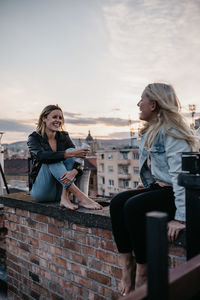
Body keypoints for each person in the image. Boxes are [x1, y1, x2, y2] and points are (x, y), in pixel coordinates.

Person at [110, 83, 199, 296]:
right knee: (116, 203)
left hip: (179, 194)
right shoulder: (151, 131)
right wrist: (146, 186)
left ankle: (142, 271)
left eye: (142, 100)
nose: (138, 104)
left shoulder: (173, 132)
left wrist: (181, 218)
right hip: (160, 189)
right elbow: (154, 169)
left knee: (133, 207)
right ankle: (127, 266)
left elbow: (180, 177)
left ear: (154, 104)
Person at [28, 104, 102, 210]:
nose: (58, 120)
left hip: (60, 190)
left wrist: (74, 172)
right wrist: (70, 154)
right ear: (44, 118)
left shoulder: (64, 136)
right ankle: (81, 197)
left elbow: (78, 159)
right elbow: (41, 156)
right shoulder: (34, 138)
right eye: (54, 117)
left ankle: (64, 197)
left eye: (60, 118)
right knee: (54, 157)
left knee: (70, 150)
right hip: (42, 192)